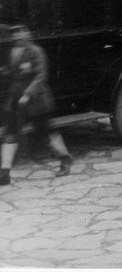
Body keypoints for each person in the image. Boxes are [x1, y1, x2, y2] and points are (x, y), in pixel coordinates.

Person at [0, 24, 72, 185]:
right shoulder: (10, 52)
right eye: (14, 32)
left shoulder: (36, 51)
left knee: (46, 132)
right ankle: (4, 173)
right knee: (10, 134)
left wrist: (27, 94)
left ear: (28, 33)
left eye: (21, 31)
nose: (18, 35)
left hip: (37, 101)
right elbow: (11, 75)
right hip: (15, 100)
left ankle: (64, 158)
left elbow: (41, 75)